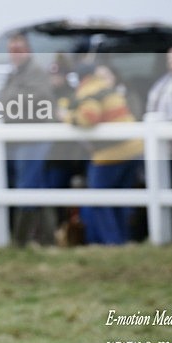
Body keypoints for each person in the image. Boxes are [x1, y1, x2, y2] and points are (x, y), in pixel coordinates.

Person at [66, 62, 144, 245]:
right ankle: (123, 239)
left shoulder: (88, 91)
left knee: (99, 199)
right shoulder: (108, 87)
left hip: (111, 153)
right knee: (119, 199)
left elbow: (88, 117)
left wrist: (67, 117)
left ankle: (112, 242)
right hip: (133, 150)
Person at [0, 33, 57, 246]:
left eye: (18, 49)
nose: (14, 54)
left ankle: (20, 240)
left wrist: (9, 105)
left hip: (34, 138)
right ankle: (46, 239)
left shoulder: (35, 72)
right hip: (20, 139)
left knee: (27, 187)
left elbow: (39, 99)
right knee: (35, 188)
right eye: (11, 50)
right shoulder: (14, 74)